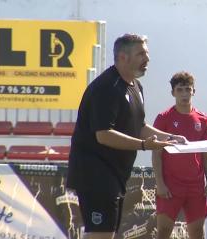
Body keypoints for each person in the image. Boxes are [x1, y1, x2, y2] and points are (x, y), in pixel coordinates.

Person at [66, 34, 186, 239]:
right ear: (122, 57)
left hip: (114, 175)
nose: (147, 59)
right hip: (95, 174)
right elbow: (103, 135)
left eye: (147, 53)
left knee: (105, 234)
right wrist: (143, 145)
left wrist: (171, 137)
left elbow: (138, 126)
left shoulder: (136, 87)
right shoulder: (106, 88)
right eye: (141, 54)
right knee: (101, 234)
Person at [152, 71, 207, 239]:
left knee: (197, 233)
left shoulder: (203, 120)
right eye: (180, 90)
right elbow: (156, 153)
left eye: (188, 89)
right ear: (173, 93)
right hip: (171, 186)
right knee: (164, 231)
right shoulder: (163, 118)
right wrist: (160, 183)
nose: (184, 94)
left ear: (194, 91)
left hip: (195, 186)